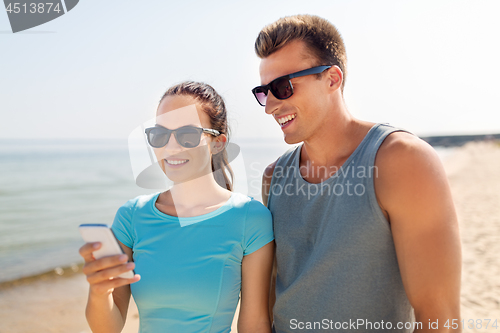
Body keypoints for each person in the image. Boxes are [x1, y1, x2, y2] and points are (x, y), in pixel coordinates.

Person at [253, 15, 462, 332]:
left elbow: (440, 317)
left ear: (332, 79)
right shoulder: (273, 176)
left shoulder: (403, 160)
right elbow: (269, 301)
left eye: (282, 88)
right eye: (263, 92)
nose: (270, 106)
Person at [79, 81, 274, 333]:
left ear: (218, 142)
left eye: (188, 134)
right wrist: (98, 291)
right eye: (160, 135)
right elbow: (108, 327)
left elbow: (254, 322)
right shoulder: (131, 217)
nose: (171, 147)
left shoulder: (250, 217)